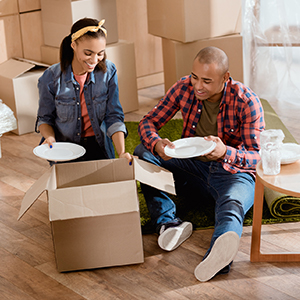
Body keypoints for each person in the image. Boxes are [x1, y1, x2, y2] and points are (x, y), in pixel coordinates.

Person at [134, 46, 265, 282]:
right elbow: (148, 122)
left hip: (233, 174)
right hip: (191, 168)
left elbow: (258, 156)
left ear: (225, 78)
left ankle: (219, 255)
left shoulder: (246, 101)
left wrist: (225, 151)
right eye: (195, 77)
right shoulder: (184, 87)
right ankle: (168, 223)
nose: (198, 86)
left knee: (232, 204)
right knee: (143, 152)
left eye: (207, 80)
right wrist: (157, 144)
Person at [36, 18, 132, 163]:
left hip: (99, 146)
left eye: (100, 53)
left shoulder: (109, 72)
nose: (94, 60)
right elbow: (45, 119)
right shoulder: (51, 77)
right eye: (88, 53)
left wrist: (122, 152)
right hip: (66, 149)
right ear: (73, 45)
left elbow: (113, 116)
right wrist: (50, 138)